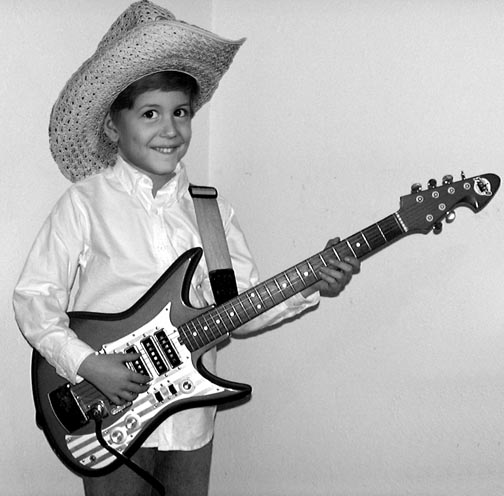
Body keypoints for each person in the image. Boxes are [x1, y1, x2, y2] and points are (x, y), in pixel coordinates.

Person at [13, 1, 360, 495]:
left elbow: (245, 307)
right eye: (150, 113)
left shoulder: (210, 213)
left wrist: (313, 286)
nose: (171, 129)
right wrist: (89, 366)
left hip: (192, 418)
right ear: (114, 126)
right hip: (106, 414)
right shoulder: (84, 204)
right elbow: (34, 299)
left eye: (181, 113)